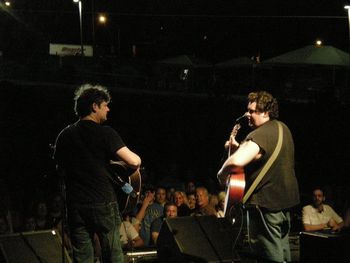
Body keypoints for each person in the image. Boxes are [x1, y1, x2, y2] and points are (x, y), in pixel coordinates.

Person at [54, 83, 141, 263]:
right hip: (102, 201)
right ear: (94, 107)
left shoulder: (64, 135)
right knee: (112, 253)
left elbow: (59, 169)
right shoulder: (105, 133)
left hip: (75, 205)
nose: (108, 109)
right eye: (105, 105)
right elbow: (134, 161)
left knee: (83, 255)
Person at [218, 91, 299, 263]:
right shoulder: (282, 128)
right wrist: (240, 146)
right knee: (283, 255)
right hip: (285, 205)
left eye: (252, 111)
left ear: (265, 112)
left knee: (269, 257)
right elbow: (262, 155)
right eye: (248, 110)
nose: (247, 114)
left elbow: (236, 162)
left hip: (266, 206)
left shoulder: (259, 134)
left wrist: (221, 174)